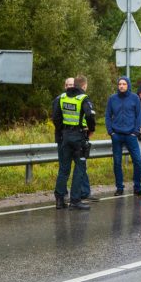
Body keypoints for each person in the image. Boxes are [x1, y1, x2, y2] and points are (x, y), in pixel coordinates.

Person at [52, 75, 95, 210]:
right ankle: (75, 200)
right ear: (84, 86)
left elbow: (56, 117)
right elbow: (89, 115)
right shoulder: (83, 98)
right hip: (79, 137)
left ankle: (59, 200)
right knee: (80, 168)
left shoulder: (62, 97)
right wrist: (91, 129)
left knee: (64, 169)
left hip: (65, 136)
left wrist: (62, 130)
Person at [106, 76, 141, 196]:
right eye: (119, 84)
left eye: (124, 84)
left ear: (128, 85)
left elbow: (139, 115)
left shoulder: (135, 98)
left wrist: (135, 132)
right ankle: (119, 187)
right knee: (117, 162)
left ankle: (137, 187)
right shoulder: (112, 99)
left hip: (131, 135)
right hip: (116, 135)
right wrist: (110, 132)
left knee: (138, 161)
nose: (121, 86)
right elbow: (107, 116)